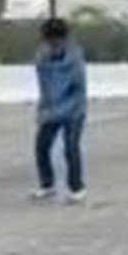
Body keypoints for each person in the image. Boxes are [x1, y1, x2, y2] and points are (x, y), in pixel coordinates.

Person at [33, 16, 88, 204]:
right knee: (41, 147)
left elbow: (77, 86)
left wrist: (66, 106)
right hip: (51, 108)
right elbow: (44, 86)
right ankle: (47, 184)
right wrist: (44, 109)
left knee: (71, 147)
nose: (53, 42)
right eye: (49, 38)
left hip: (74, 109)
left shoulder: (74, 56)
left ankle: (77, 187)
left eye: (57, 38)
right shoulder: (42, 57)